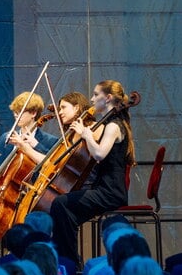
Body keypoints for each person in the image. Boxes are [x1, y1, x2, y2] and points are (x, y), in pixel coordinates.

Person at [49, 80, 135, 264]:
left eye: (96, 95)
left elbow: (98, 154)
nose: (92, 98)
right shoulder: (110, 122)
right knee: (64, 212)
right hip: (103, 189)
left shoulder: (113, 126)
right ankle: (68, 261)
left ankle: (70, 263)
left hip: (110, 192)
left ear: (108, 98)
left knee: (60, 204)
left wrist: (86, 134)